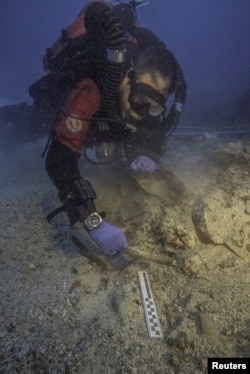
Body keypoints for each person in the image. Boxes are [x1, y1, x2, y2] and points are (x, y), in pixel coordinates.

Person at [37, 0, 187, 257]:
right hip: (55, 109)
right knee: (22, 126)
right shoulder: (93, 87)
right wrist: (93, 223)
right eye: (140, 100)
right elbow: (59, 160)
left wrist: (147, 153)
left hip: (100, 125)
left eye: (152, 107)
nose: (140, 113)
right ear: (129, 75)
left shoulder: (144, 100)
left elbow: (153, 130)